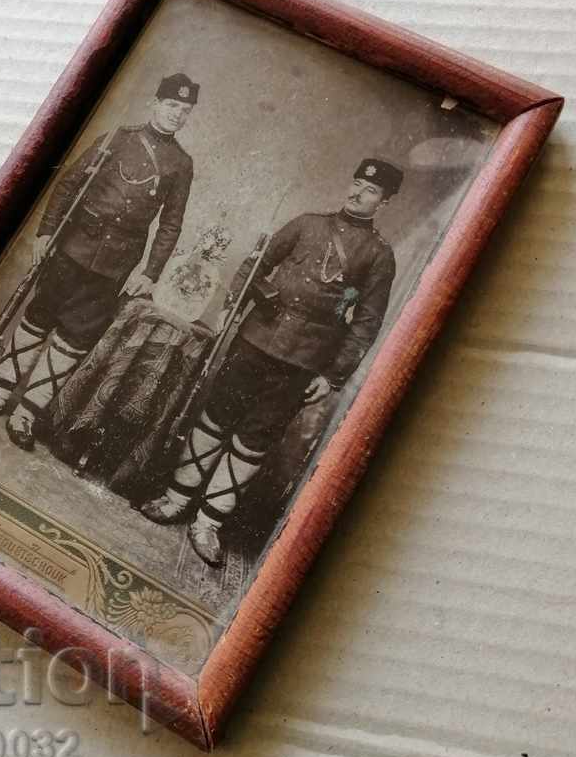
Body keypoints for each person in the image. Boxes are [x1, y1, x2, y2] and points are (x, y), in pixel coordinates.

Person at [141, 158, 403, 567]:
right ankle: (176, 499)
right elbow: (254, 264)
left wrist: (332, 376)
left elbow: (367, 324)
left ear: (384, 202)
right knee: (216, 416)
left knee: (256, 438)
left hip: (302, 361)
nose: (357, 193)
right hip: (255, 339)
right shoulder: (306, 224)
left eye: (369, 191)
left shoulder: (379, 256)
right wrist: (255, 297)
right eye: (355, 183)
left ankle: (208, 523)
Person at [0, 72, 199, 451]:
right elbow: (68, 184)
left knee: (74, 338)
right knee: (38, 318)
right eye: (172, 105)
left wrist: (151, 273)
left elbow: (171, 224)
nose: (177, 115)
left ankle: (25, 413)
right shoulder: (117, 139)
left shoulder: (181, 164)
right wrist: (46, 232)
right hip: (72, 248)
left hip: (115, 266)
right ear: (155, 103)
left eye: (185, 110)